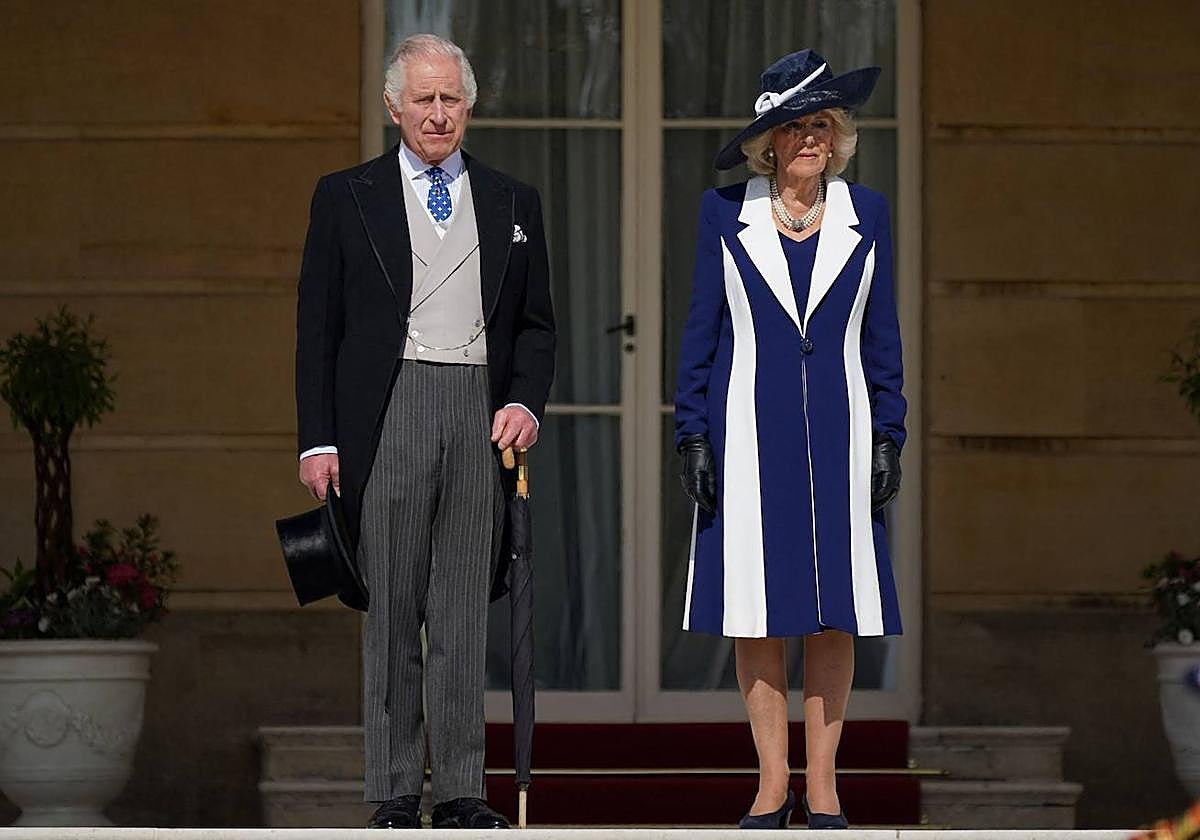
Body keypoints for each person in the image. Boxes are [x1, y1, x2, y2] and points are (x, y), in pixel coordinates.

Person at [294, 33, 555, 830]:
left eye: (451, 99)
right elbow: (319, 327)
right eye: (423, 99)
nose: (437, 114)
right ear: (393, 106)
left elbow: (538, 326)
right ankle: (397, 788)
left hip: (479, 411)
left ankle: (465, 789)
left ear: (469, 106)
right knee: (394, 600)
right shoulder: (346, 195)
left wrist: (525, 402)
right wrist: (319, 440)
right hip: (391, 406)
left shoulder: (512, 199)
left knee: (463, 606)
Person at [673, 49, 905, 831]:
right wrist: (691, 434)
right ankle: (773, 787)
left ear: (837, 135)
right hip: (747, 430)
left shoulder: (865, 212)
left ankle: (825, 786)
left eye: (821, 124)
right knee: (759, 609)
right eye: (792, 126)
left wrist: (889, 433)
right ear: (767, 141)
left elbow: (883, 338)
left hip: (841, 433)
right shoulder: (723, 212)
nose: (809, 138)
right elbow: (700, 331)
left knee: (833, 611)